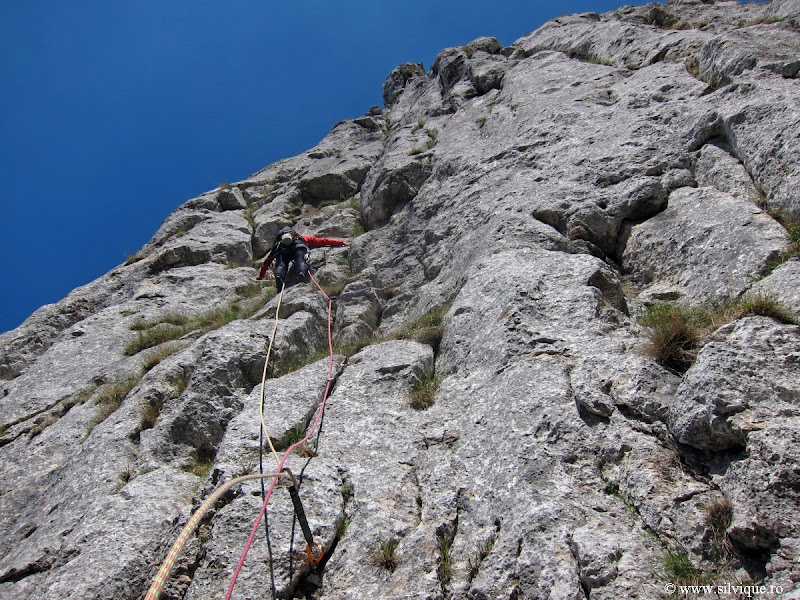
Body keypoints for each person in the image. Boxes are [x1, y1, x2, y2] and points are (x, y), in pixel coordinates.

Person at [256, 226, 348, 287]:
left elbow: (267, 262)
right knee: (301, 261)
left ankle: (279, 276)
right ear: (293, 235)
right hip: (299, 247)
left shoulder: (278, 245)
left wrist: (260, 276)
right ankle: (301, 272)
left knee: (281, 265)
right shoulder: (301, 238)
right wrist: (341, 243)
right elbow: (322, 241)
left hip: (283, 252)